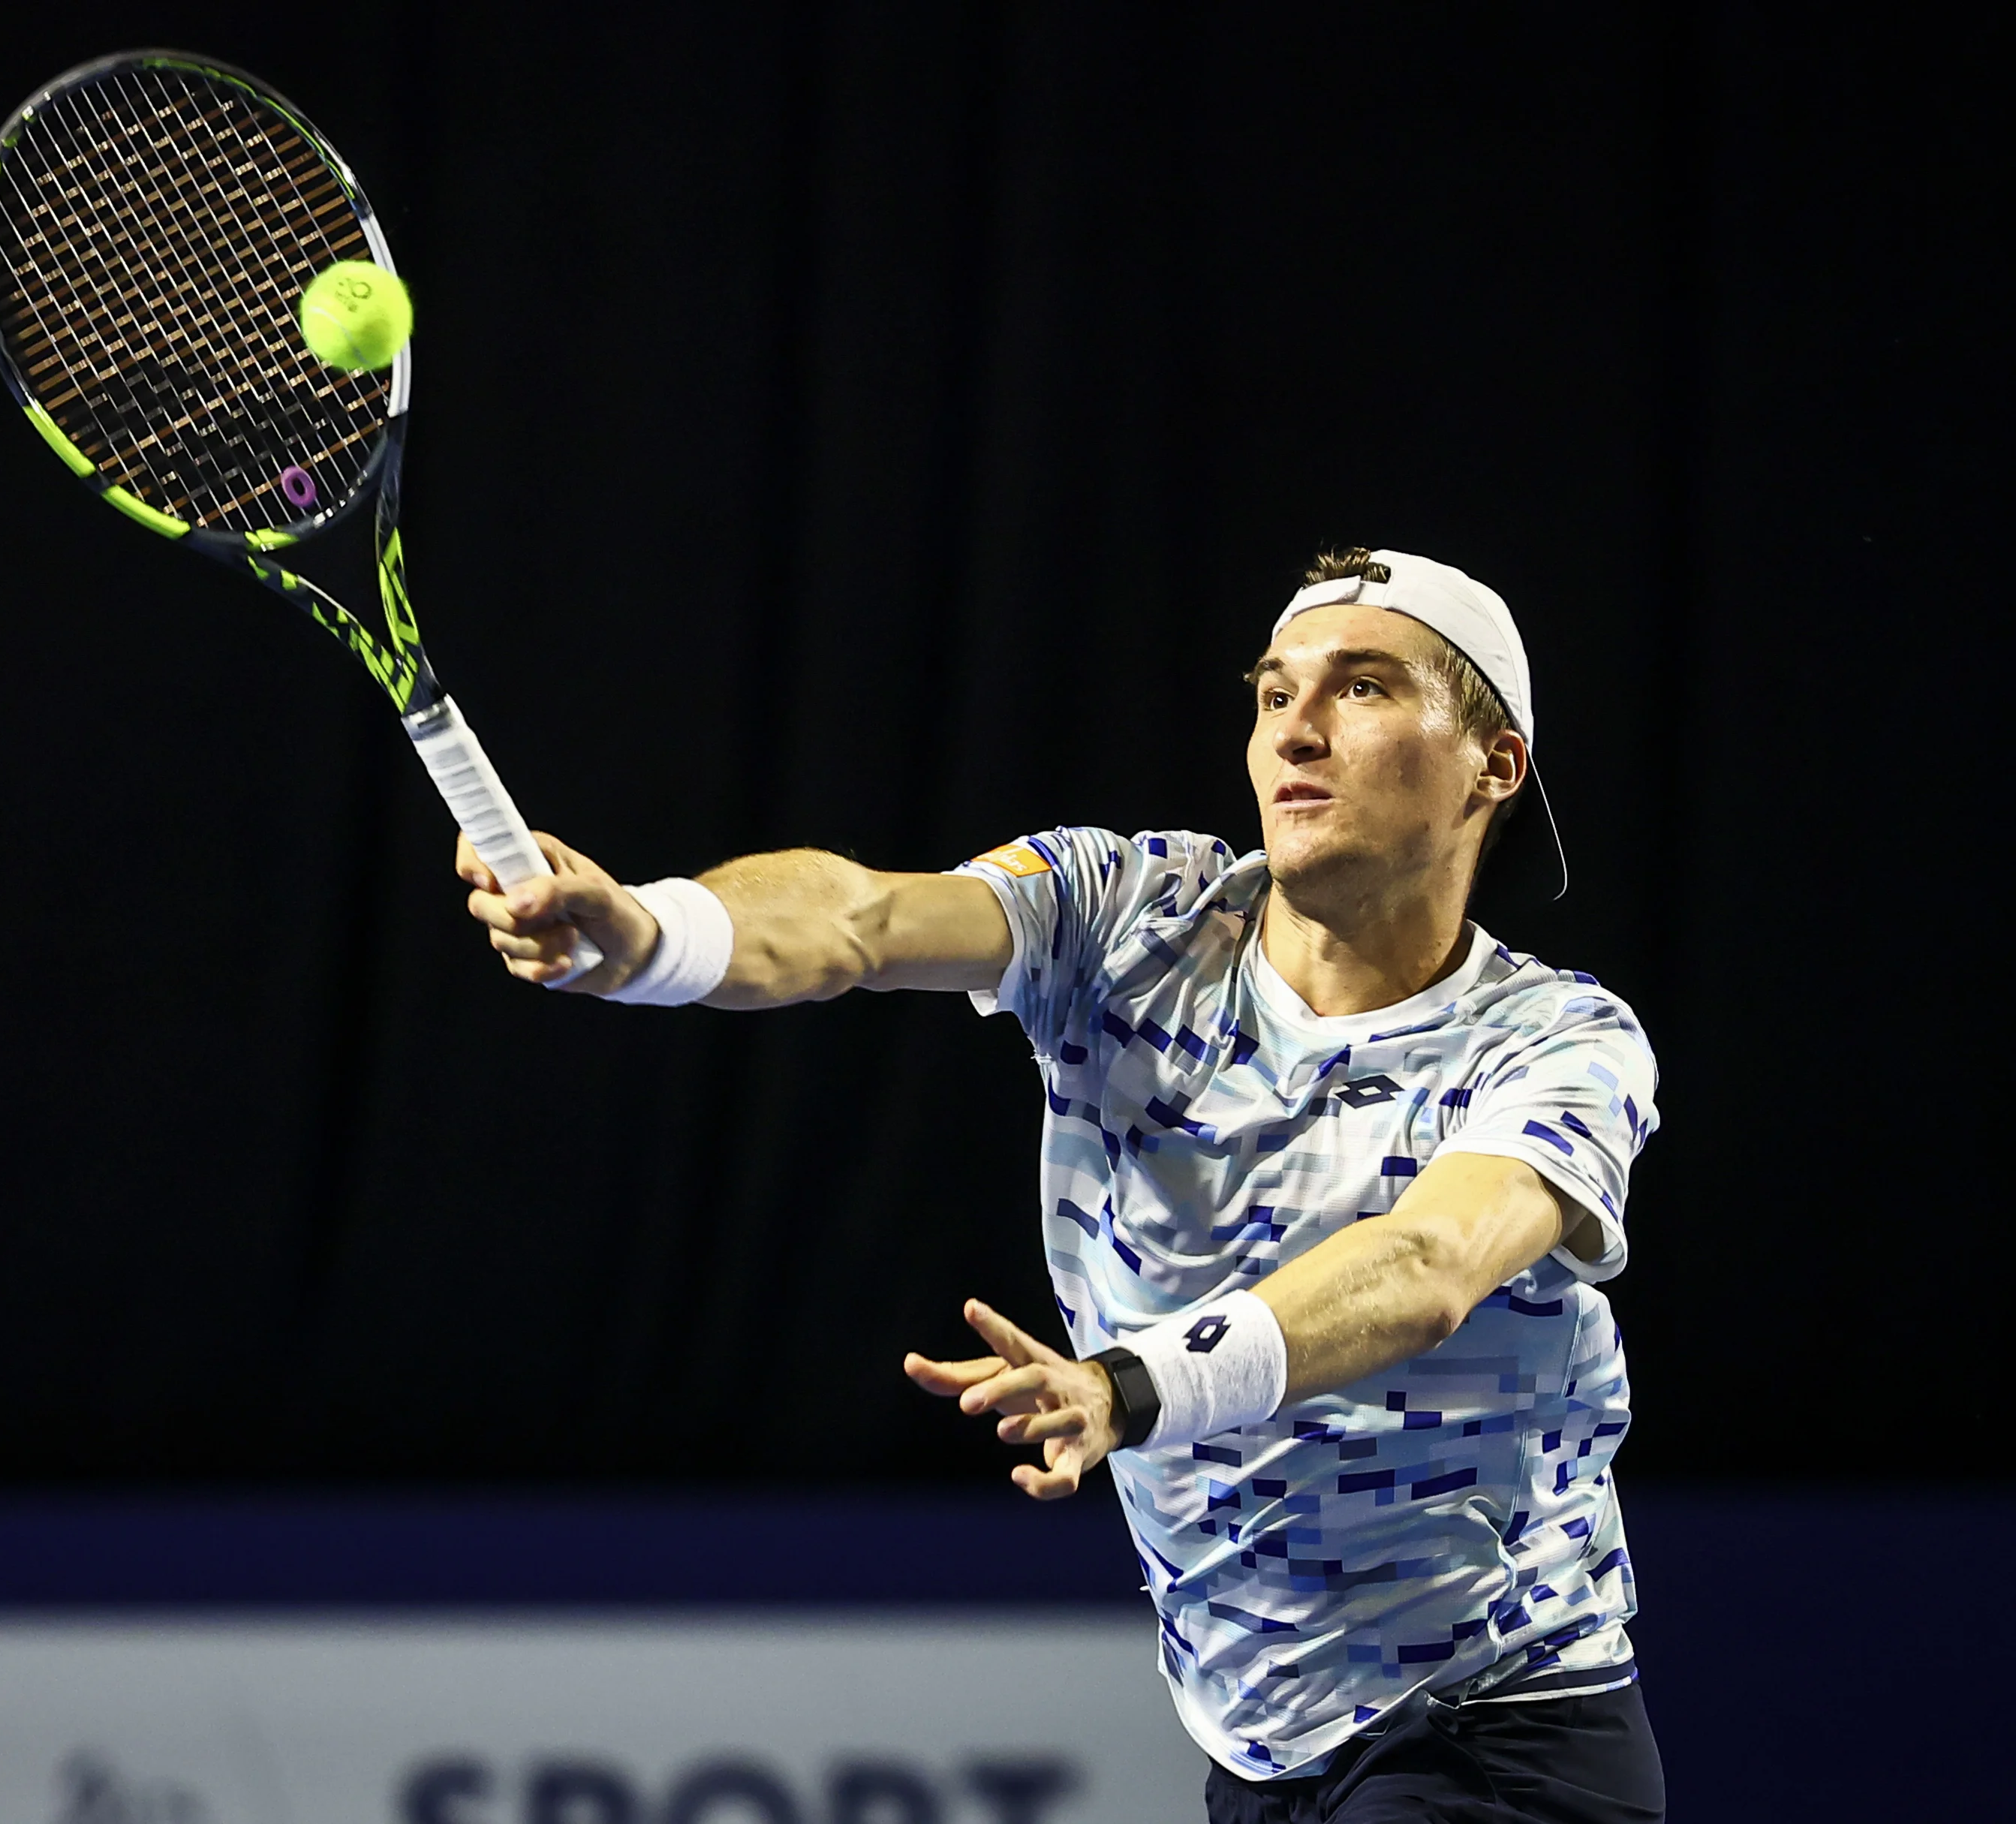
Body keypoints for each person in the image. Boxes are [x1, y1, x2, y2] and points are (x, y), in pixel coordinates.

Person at [457, 547, 1665, 1822]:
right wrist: (659, 938)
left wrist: (1126, 1386)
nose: (1297, 731)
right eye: (1272, 695)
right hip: (1257, 1744)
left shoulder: (1560, 1042)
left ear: (1496, 762)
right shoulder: (1123, 911)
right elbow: (859, 916)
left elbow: (1427, 1269)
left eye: (1363, 688)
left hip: (1492, 1731)